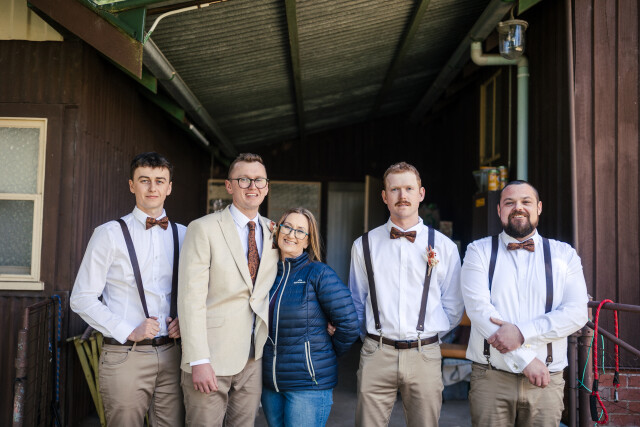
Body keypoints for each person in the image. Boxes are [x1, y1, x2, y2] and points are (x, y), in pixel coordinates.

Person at [70, 152, 185, 426]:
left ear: (169, 187)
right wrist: (127, 330)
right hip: (125, 355)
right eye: (144, 180)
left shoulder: (185, 234)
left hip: (174, 355)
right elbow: (81, 298)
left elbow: (195, 291)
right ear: (132, 185)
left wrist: (185, 320)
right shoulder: (108, 234)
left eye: (160, 181)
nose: (152, 187)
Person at [461, 180, 588, 427]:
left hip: (546, 381)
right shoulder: (478, 251)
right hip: (491, 379)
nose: (518, 207)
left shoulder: (564, 255)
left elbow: (576, 313)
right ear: (499, 210)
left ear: (539, 208)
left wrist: (521, 333)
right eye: (509, 202)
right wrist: (526, 360)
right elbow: (478, 311)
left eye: (526, 202)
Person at [349, 161, 464, 427]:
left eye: (409, 188)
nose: (402, 195)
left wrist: (429, 338)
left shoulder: (444, 247)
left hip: (425, 354)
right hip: (376, 352)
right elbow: (357, 301)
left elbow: (454, 306)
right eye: (395, 189)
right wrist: (372, 340)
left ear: (421, 194)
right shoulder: (363, 245)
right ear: (384, 196)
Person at [178, 153, 279, 426]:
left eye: (259, 180)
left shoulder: (273, 231)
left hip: (254, 358)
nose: (252, 186)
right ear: (229, 185)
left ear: (266, 187)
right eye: (243, 179)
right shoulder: (202, 228)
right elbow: (190, 299)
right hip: (211, 357)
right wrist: (198, 359)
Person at [261, 207, 359, 426]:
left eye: (300, 231)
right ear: (278, 230)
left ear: (307, 241)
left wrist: (325, 351)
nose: (291, 234)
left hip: (307, 385)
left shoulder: (319, 273)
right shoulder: (266, 274)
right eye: (287, 227)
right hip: (271, 383)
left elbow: (349, 324)